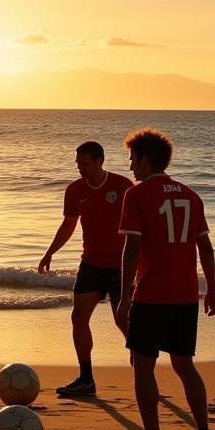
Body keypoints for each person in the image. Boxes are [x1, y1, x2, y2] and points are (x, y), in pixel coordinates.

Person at [114, 127, 215, 430]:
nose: (130, 167)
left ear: (145, 159)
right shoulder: (190, 194)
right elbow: (205, 246)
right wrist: (212, 289)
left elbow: (131, 248)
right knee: (185, 366)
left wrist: (124, 294)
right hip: (186, 294)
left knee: (142, 368)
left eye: (132, 160)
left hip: (153, 294)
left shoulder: (138, 194)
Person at [37, 141, 133, 397]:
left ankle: (144, 372)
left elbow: (140, 228)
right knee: (78, 318)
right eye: (78, 164)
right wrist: (49, 253)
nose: (80, 168)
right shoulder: (74, 190)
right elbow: (68, 225)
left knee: (123, 321)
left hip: (121, 266)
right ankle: (86, 379)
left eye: (85, 164)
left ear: (100, 161)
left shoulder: (123, 186)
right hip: (90, 264)